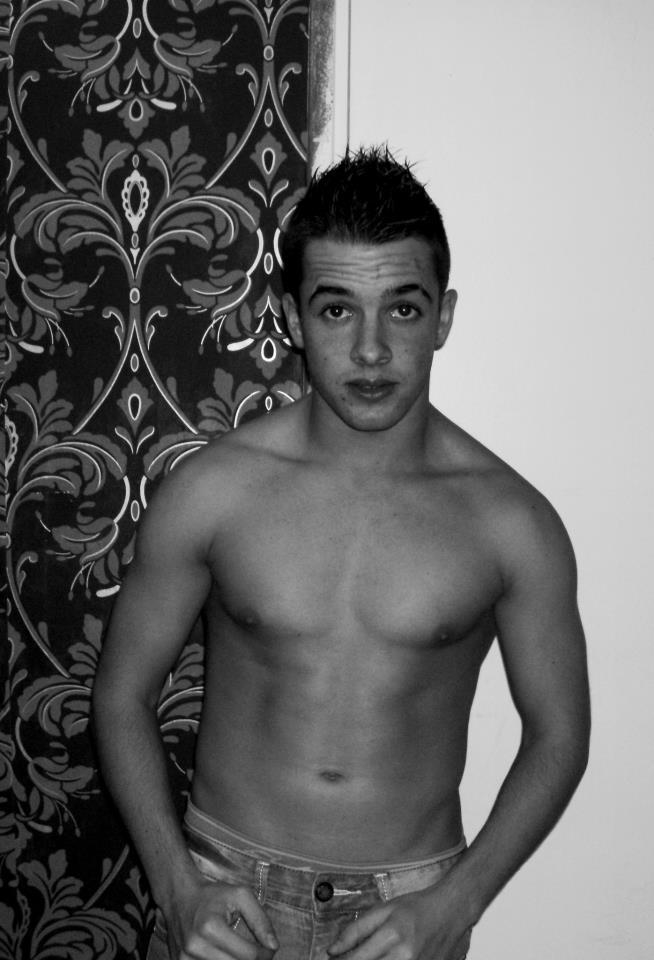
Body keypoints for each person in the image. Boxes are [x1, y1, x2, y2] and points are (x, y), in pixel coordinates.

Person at [92, 146, 590, 960]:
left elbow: (559, 737)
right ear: (293, 319)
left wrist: (459, 902)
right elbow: (121, 695)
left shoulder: (512, 524)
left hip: (409, 910)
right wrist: (177, 888)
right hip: (226, 897)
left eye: (402, 309)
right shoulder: (213, 492)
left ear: (444, 317)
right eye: (335, 310)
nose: (369, 350)